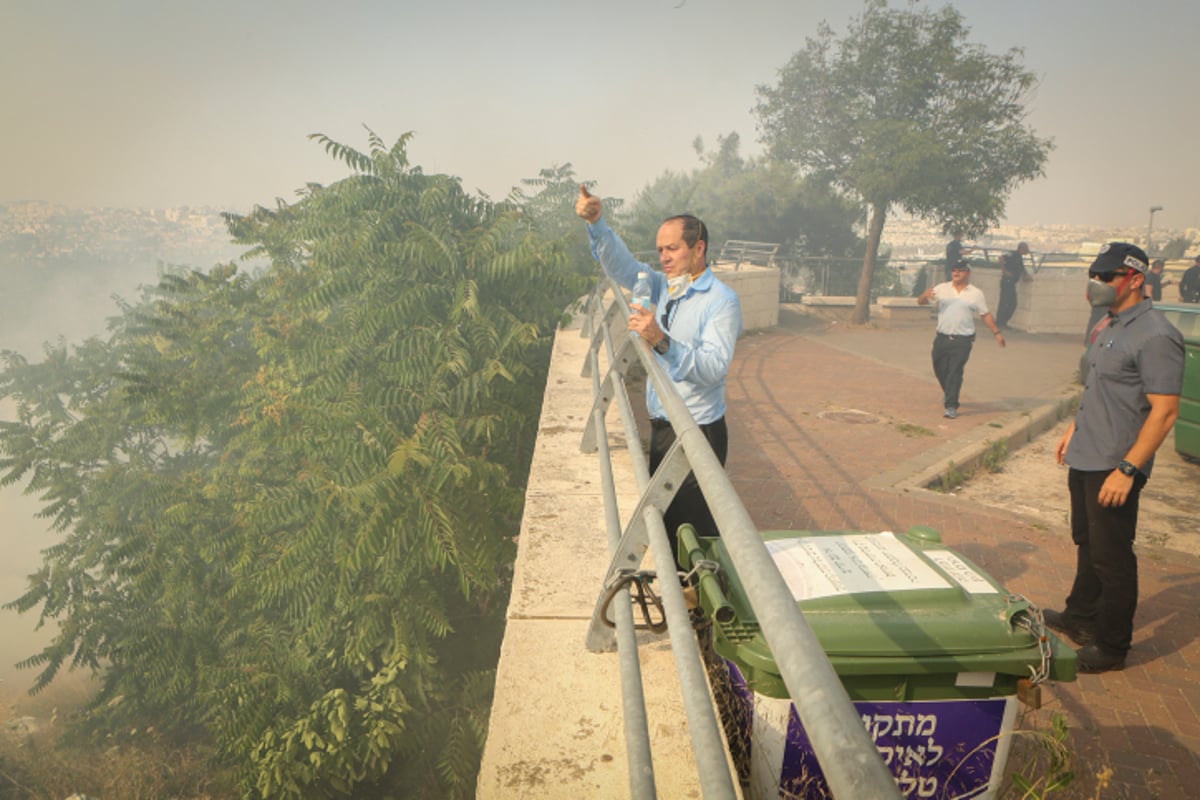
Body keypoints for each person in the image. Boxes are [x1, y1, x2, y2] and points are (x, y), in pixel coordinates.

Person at [575, 185, 743, 558]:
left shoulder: (721, 302)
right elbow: (623, 267)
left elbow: (713, 369)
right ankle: (683, 601)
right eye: (661, 250)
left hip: (697, 432)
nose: (664, 258)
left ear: (698, 249)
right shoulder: (665, 286)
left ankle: (700, 610)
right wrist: (597, 223)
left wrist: (661, 340)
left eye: (673, 249)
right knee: (668, 526)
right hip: (665, 426)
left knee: (693, 534)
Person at [1045, 242, 1184, 674]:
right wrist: (1073, 428)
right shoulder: (1110, 325)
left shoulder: (1157, 335)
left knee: (1112, 556)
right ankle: (1079, 617)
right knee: (1087, 543)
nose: (1098, 284)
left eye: (1107, 277)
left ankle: (1111, 645)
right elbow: (1099, 388)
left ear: (1135, 279)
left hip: (1115, 461)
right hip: (1087, 452)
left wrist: (1128, 469)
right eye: (1095, 276)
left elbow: (1164, 412)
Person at [917, 258, 1005, 418]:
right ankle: (949, 390)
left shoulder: (975, 294)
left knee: (955, 372)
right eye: (954, 270)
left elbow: (985, 314)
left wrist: (997, 333)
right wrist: (924, 295)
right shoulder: (942, 288)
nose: (956, 273)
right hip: (942, 337)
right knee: (940, 368)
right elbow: (921, 302)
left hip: (962, 340)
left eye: (960, 270)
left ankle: (951, 406)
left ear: (968, 273)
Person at [995, 241, 1030, 330]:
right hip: (1007, 281)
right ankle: (1000, 323)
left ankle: (1002, 322)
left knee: (1012, 303)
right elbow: (1001, 258)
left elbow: (1021, 268)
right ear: (1021, 248)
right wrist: (1004, 271)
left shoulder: (1019, 257)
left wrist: (1025, 275)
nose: (1027, 251)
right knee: (1005, 302)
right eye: (1026, 249)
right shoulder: (1012, 254)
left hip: (1012, 282)